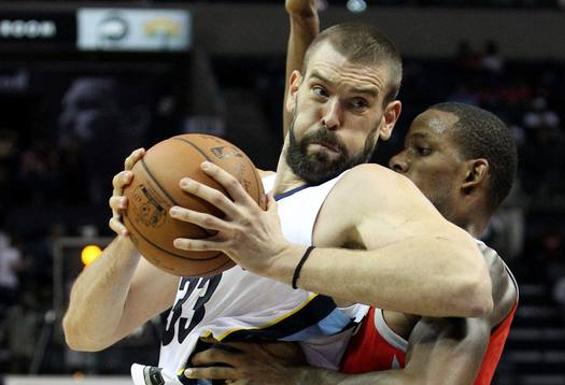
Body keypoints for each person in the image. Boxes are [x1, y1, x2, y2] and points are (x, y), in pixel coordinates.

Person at [63, 19, 491, 385]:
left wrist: (276, 258)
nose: (331, 117)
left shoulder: (360, 189)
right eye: (320, 92)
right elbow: (84, 333)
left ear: (387, 120)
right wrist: (135, 231)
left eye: (357, 104)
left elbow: (467, 284)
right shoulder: (232, 199)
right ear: (294, 90)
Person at [172, 2, 518, 385]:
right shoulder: (380, 254)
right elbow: (306, 144)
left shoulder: (476, 268)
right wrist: (302, 21)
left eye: (421, 150)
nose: (398, 161)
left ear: (473, 175)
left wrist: (294, 379)